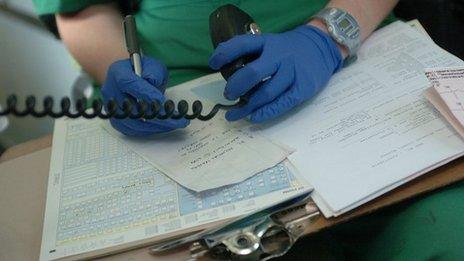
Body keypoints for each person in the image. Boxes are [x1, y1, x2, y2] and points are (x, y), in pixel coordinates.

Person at [32, 0, 464, 259]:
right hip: (172, 87)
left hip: (349, 49)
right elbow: (80, 10)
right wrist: (131, 79)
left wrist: (329, 37)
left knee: (449, 232)